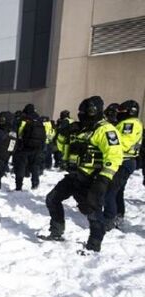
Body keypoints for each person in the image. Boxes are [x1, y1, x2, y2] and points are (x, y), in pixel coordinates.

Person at [41, 96, 123, 253]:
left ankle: (93, 246)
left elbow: (114, 155)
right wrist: (63, 132)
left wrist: (103, 179)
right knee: (52, 199)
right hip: (74, 176)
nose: (82, 115)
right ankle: (56, 231)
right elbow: (60, 146)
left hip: (93, 178)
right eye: (81, 112)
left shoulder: (105, 130)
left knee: (92, 211)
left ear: (94, 111)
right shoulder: (79, 128)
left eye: (86, 112)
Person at [103, 100, 142, 230]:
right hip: (125, 160)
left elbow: (123, 143)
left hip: (124, 160)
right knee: (118, 192)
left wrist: (109, 134)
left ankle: (108, 219)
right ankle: (118, 215)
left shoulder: (129, 124)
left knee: (110, 191)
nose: (118, 113)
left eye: (121, 111)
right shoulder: (128, 123)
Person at [13, 104, 45, 190]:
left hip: (24, 147)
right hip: (37, 148)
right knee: (34, 166)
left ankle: (18, 186)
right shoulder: (39, 120)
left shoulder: (24, 119)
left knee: (21, 166)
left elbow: (18, 133)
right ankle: (35, 183)